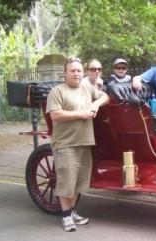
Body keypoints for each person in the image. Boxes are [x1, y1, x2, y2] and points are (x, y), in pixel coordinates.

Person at [46, 57, 110, 231]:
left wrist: (96, 104)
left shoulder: (86, 87)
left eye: (79, 71)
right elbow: (55, 115)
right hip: (65, 144)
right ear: (65, 74)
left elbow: (105, 96)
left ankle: (72, 211)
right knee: (67, 181)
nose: (76, 73)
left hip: (85, 142)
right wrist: (81, 114)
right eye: (72, 71)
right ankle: (66, 216)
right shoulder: (57, 91)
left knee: (79, 182)